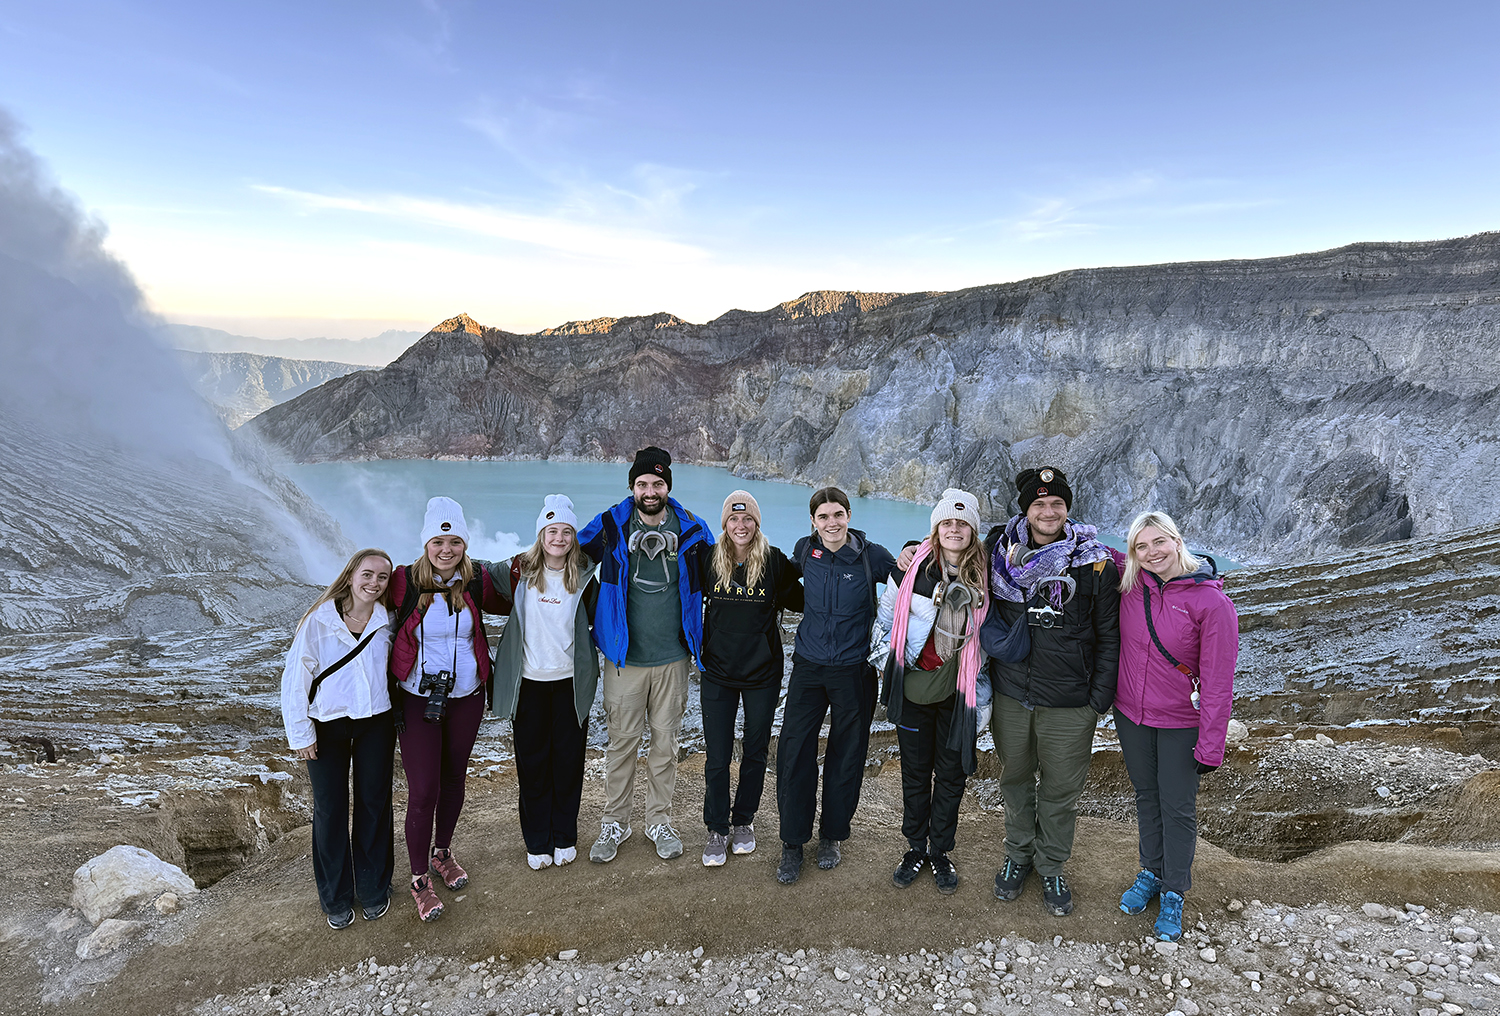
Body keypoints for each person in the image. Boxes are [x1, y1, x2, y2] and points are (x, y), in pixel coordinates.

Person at [984, 467, 1120, 916]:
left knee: (1061, 789)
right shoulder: (998, 552)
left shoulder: (1095, 563)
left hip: (1069, 702)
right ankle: (1018, 855)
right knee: (1015, 779)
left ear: (1067, 509)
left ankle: (1052, 864)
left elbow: (1108, 634)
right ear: (1025, 509)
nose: (1048, 511)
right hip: (1012, 695)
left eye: (1057, 504)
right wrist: (910, 551)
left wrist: (1097, 699)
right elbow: (947, 551)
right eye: (1039, 504)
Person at [578, 446, 714, 863]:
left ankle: (659, 819)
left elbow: (721, 571)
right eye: (642, 484)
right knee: (621, 743)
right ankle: (614, 822)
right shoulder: (609, 525)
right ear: (632, 487)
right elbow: (568, 556)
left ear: (667, 487)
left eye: (657, 484)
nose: (650, 491)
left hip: (674, 658)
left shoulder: (694, 529)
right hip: (624, 659)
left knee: (665, 744)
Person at [1113, 510, 1238, 941]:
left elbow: (1220, 682)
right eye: (1141, 547)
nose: (1151, 553)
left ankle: (1174, 890)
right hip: (1131, 715)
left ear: (1176, 540)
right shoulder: (1130, 585)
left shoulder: (1211, 602)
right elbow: (1079, 545)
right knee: (1147, 797)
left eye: (1158, 543)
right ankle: (1150, 871)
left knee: (1177, 807)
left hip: (1181, 722)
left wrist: (1211, 744)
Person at [388, 496, 509, 921]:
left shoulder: (476, 582)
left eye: (455, 541)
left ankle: (443, 853)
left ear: (464, 544)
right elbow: (359, 601)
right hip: (418, 698)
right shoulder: (402, 582)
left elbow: (525, 596)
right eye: (439, 540)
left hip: (467, 697)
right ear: (426, 543)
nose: (446, 549)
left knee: (454, 777)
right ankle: (419, 878)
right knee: (423, 790)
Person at [775, 486, 897, 885]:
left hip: (853, 670)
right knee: (794, 752)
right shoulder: (803, 550)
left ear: (849, 515)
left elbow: (907, 581)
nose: (831, 523)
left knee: (846, 755)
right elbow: (782, 585)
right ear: (813, 521)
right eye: (823, 516)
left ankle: (832, 836)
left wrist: (917, 548)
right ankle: (793, 842)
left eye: (838, 515)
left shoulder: (870, 555)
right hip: (808, 668)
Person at [879, 489, 990, 895]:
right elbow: (886, 619)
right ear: (936, 528)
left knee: (951, 774)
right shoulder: (911, 570)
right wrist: (887, 669)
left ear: (973, 529)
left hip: (960, 695)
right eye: (947, 523)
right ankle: (914, 847)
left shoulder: (988, 573)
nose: (955, 529)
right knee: (915, 772)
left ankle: (940, 850)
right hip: (913, 689)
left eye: (962, 523)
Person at [281, 548, 397, 929]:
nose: (374, 583)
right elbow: (295, 681)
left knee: (373, 804)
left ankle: (373, 888)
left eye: (382, 577)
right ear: (351, 575)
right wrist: (301, 734)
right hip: (327, 725)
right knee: (330, 810)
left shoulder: (387, 620)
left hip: (375, 723)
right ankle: (335, 896)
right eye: (367, 574)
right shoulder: (317, 621)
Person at [487, 495, 601, 871]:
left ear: (573, 536)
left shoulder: (584, 573)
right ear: (541, 533)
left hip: (570, 683)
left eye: (566, 531)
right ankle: (537, 840)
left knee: (568, 764)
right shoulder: (519, 571)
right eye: (552, 530)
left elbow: (603, 618)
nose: (559, 538)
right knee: (532, 765)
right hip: (529, 684)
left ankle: (564, 835)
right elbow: (479, 572)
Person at [696, 490, 803, 867]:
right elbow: (680, 596)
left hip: (762, 674)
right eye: (733, 519)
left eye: (748, 520)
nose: (740, 526)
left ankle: (744, 821)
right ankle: (716, 828)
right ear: (724, 524)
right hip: (718, 673)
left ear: (757, 524)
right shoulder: (707, 559)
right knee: (718, 755)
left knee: (755, 751)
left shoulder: (774, 563)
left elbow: (808, 598)